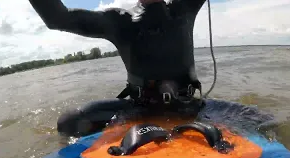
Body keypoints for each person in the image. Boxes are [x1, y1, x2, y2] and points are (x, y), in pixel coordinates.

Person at [29, 0, 207, 137]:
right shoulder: (120, 21)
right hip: (140, 109)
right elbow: (58, 19)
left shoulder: (184, 7)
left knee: (234, 114)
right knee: (68, 122)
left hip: (188, 105)